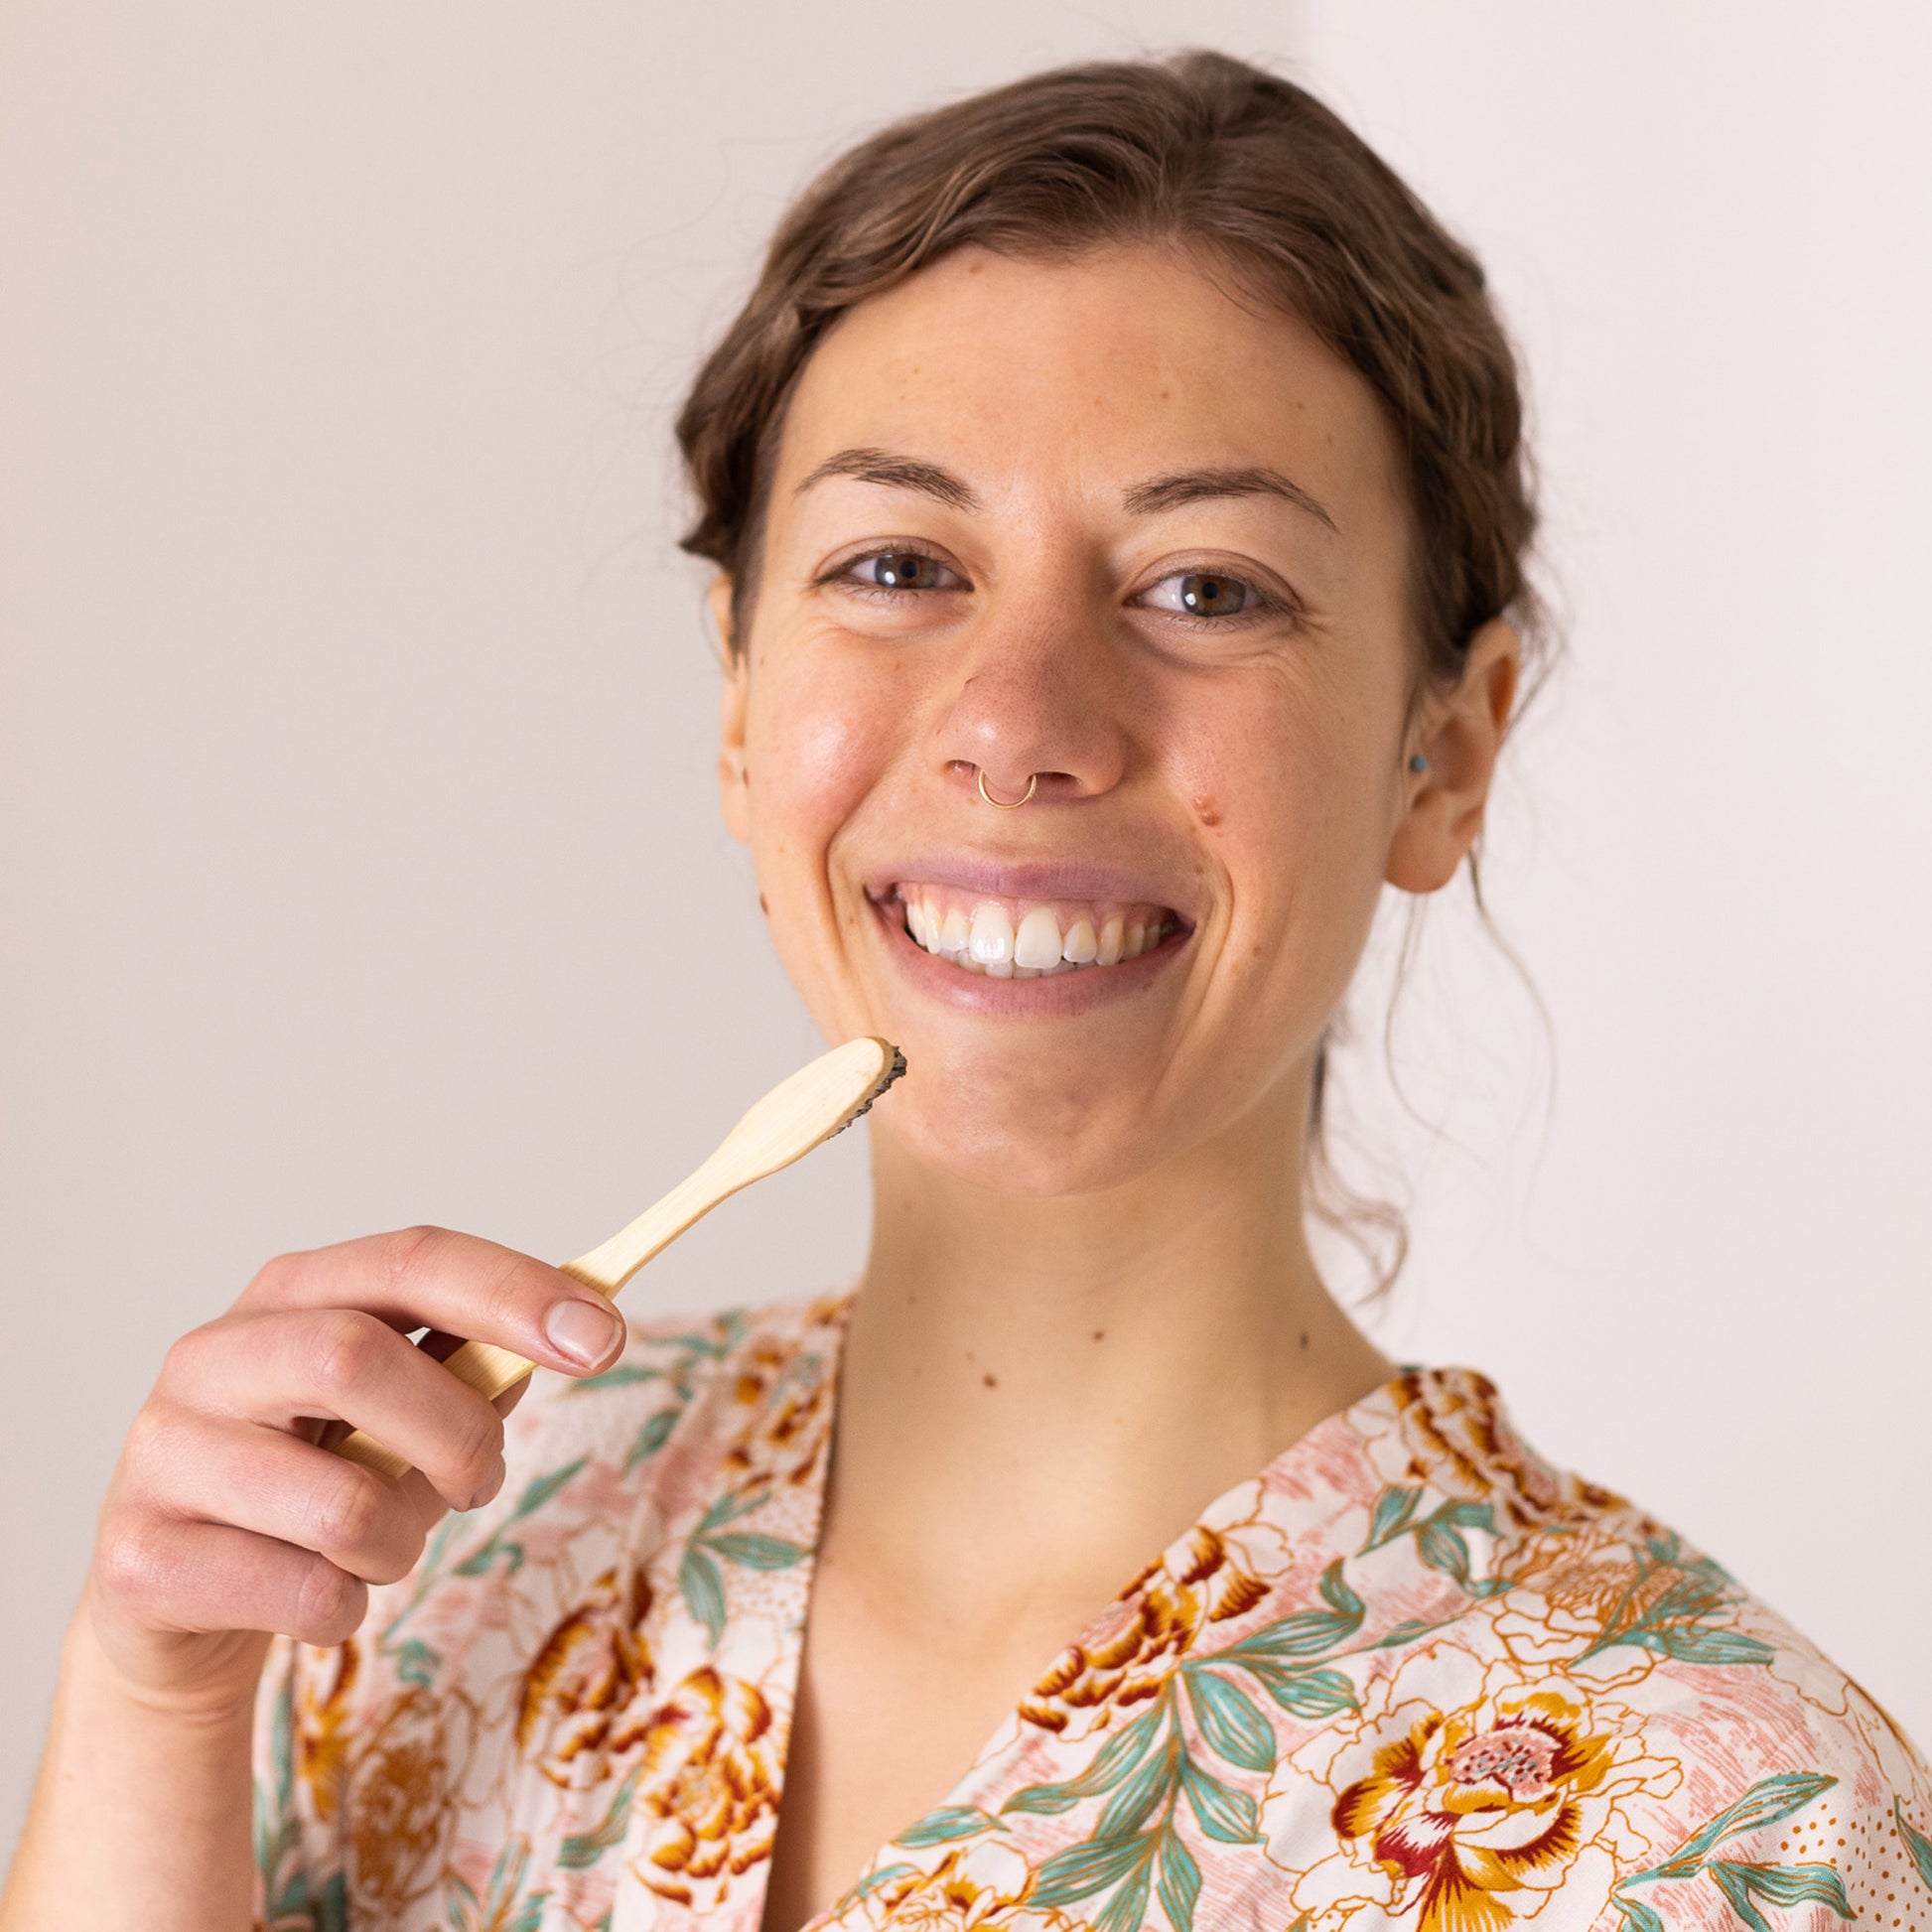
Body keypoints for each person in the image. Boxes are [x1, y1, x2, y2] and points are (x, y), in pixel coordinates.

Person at [4, 48, 1926, 1932]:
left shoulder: (1715, 1835)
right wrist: (153, 1702)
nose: (1018, 726)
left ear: (1446, 751)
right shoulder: (425, 1557)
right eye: (901, 562)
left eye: (1204, 588)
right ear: (744, 705)